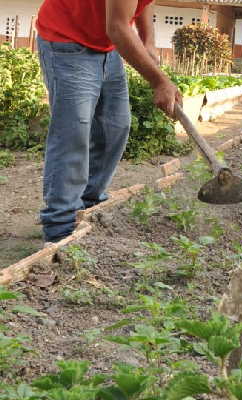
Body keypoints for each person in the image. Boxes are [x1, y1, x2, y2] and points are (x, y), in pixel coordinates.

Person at [35, 0, 182, 243]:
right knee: (73, 134)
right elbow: (118, 28)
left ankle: (87, 205)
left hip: (106, 45)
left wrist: (148, 40)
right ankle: (60, 227)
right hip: (66, 39)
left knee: (115, 126)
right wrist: (160, 81)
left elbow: (142, 3)